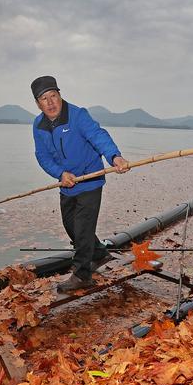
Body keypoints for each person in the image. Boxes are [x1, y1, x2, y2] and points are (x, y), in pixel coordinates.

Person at [31, 75, 130, 292]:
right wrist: (60, 173)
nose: (51, 103)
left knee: (83, 228)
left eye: (53, 96)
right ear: (38, 103)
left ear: (60, 95)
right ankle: (100, 254)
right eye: (44, 99)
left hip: (90, 179)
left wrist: (115, 157)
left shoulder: (78, 115)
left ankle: (82, 274)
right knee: (70, 225)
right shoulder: (38, 125)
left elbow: (98, 136)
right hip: (67, 183)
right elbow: (42, 156)